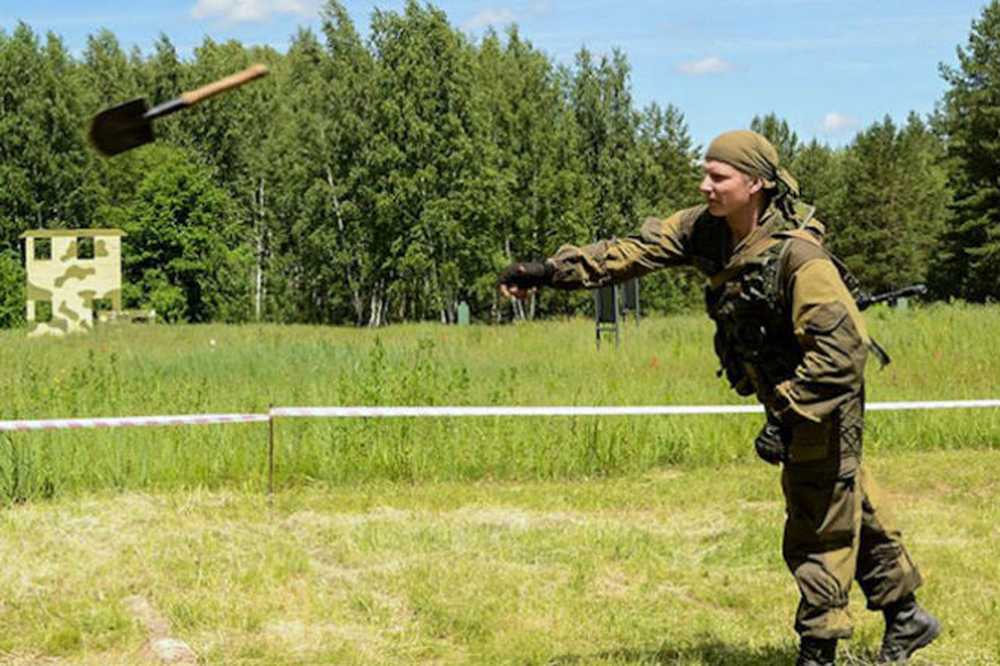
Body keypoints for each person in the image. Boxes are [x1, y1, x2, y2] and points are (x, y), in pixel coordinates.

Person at [498, 130, 940, 666]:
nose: (704, 185)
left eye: (718, 176)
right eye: (704, 173)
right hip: (787, 392)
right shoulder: (707, 231)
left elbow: (845, 350)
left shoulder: (799, 257)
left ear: (754, 184)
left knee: (817, 515)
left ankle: (818, 649)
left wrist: (788, 413)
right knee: (850, 501)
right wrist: (548, 272)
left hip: (820, 395)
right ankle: (908, 617)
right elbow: (630, 253)